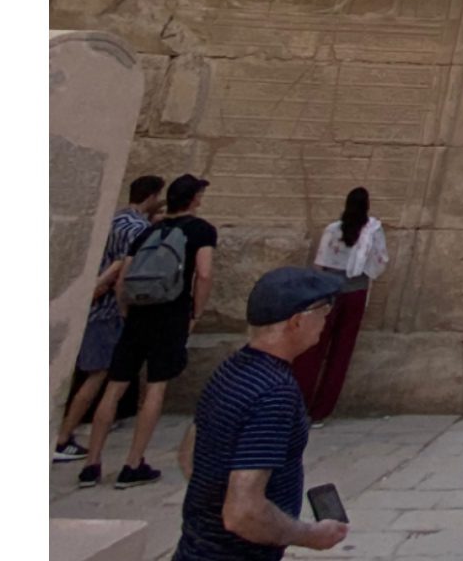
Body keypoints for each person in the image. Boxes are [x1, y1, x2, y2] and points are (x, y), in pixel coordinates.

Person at [173, 267, 350, 559]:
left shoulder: (230, 370)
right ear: (296, 322)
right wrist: (310, 535)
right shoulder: (275, 392)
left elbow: (190, 455)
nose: (327, 316)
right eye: (322, 309)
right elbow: (242, 513)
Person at [81, 173, 218, 489]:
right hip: (171, 314)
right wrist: (195, 313)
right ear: (194, 198)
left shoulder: (149, 230)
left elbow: (124, 276)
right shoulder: (201, 230)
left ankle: (92, 463)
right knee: (155, 388)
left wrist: (126, 310)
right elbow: (205, 273)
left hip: (138, 313)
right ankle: (132, 463)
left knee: (115, 386)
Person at [56, 174, 165, 461]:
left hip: (93, 307)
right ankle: (62, 436)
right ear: (152, 196)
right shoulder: (138, 229)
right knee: (98, 375)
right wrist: (122, 307)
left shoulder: (113, 220)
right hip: (108, 308)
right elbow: (121, 269)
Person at [290, 187, 388, 424]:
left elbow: (320, 263)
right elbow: (380, 261)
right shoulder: (372, 231)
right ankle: (321, 412)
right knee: (340, 354)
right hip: (356, 292)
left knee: (314, 349)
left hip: (329, 292)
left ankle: (298, 407)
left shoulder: (333, 230)